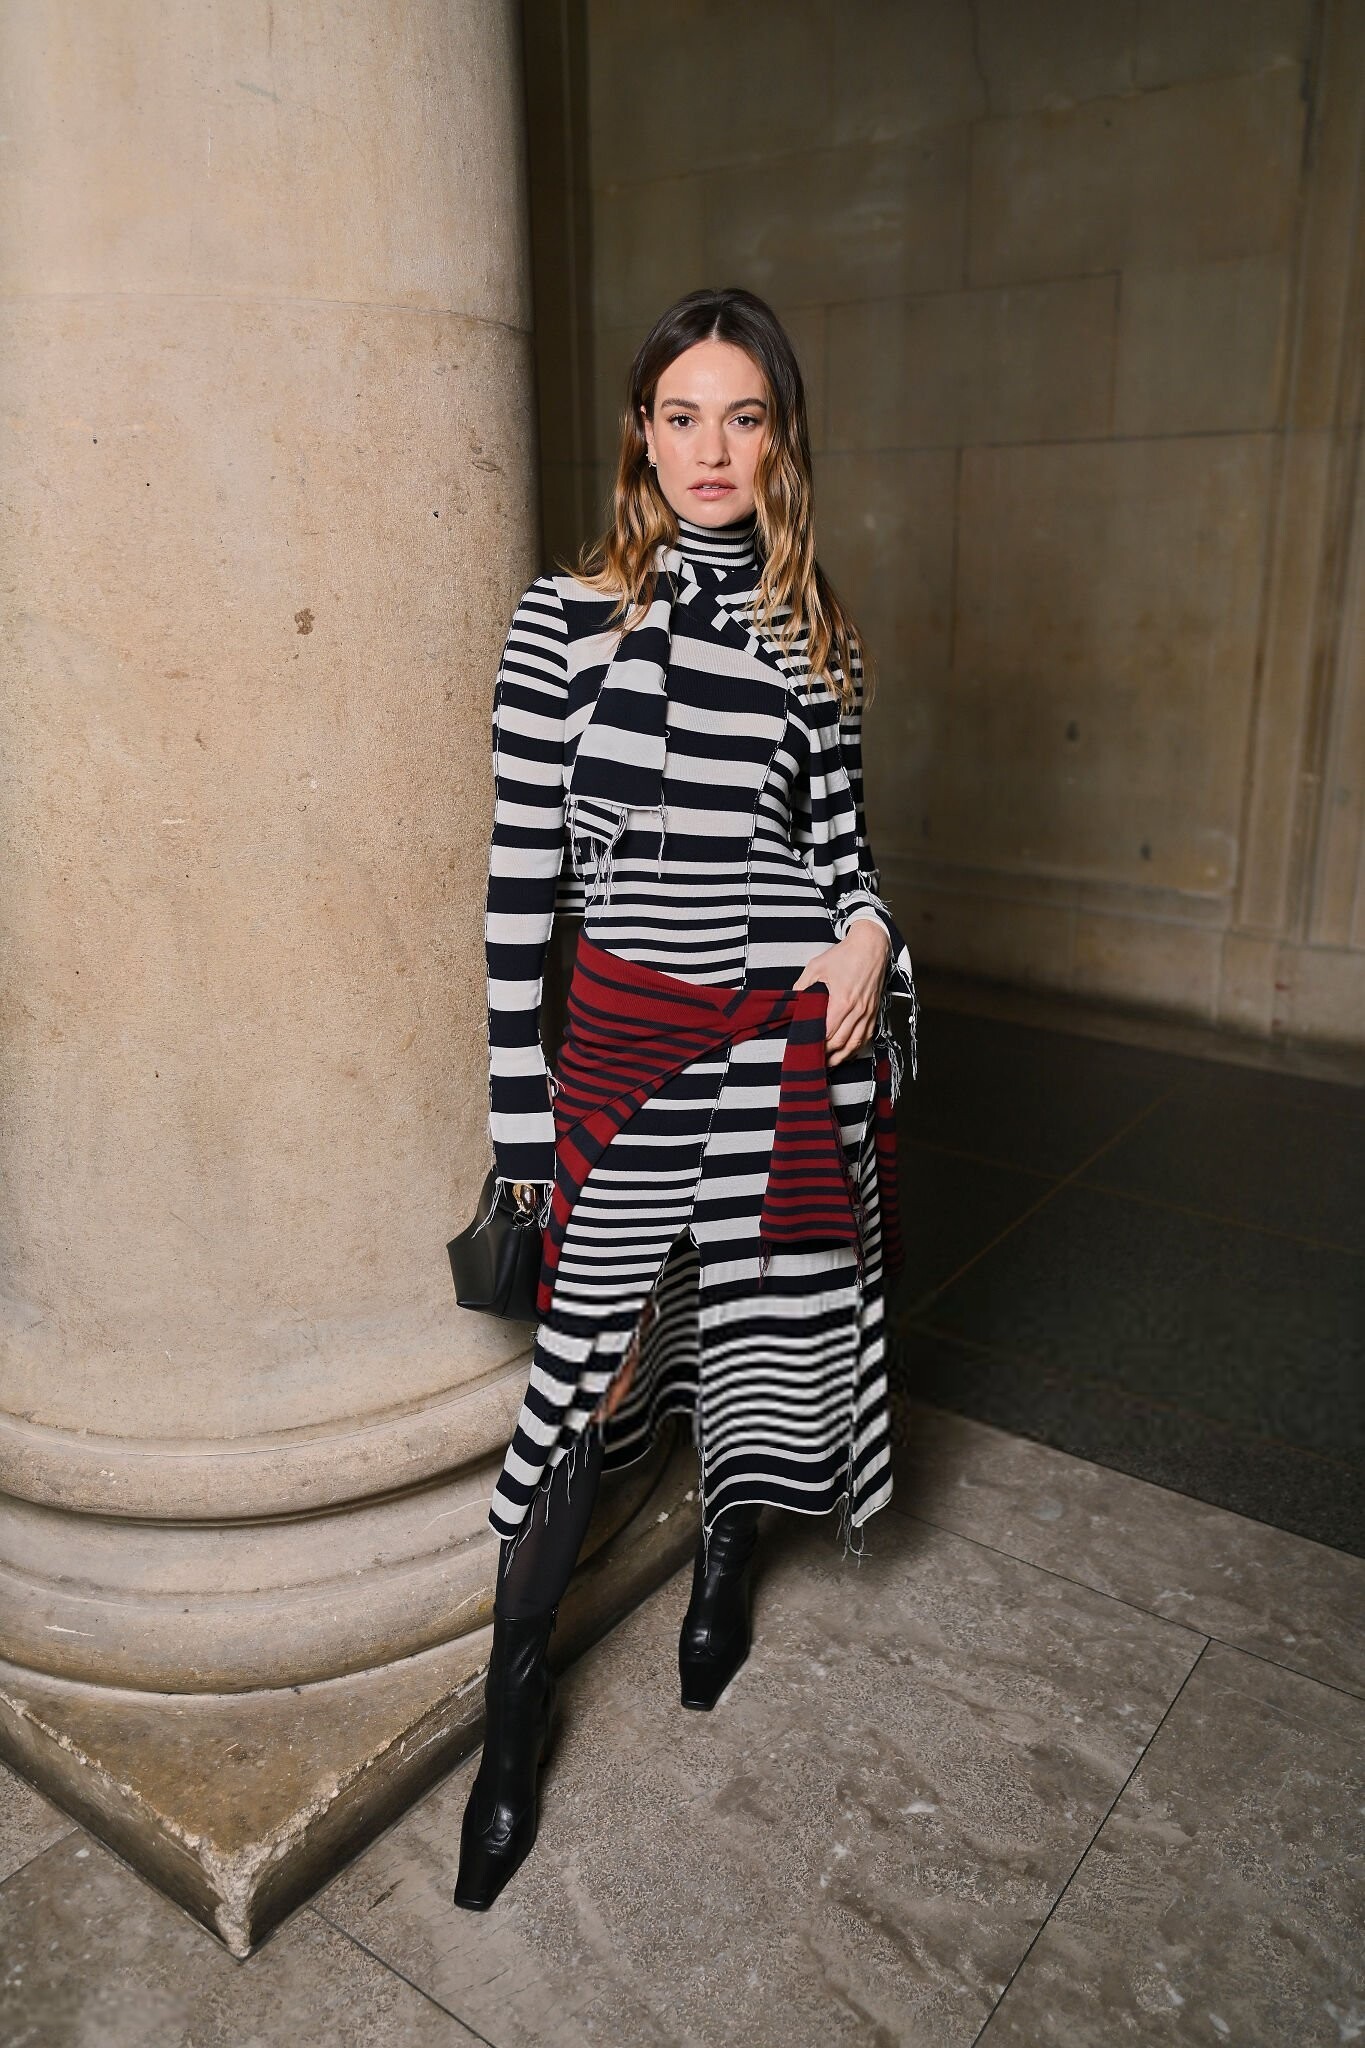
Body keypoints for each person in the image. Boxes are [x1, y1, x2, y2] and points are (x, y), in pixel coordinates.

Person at [453, 285, 918, 1911]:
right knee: (574, 1382)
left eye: (743, 416)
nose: (711, 448)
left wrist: (868, 933)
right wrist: (524, 1131)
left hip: (786, 1047)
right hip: (624, 1054)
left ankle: (725, 1561)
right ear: (640, 437)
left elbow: (844, 854)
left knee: (754, 1323)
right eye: (680, 415)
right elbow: (519, 891)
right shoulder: (561, 621)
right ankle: (511, 1722)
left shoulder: (817, 639)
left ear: (778, 439)